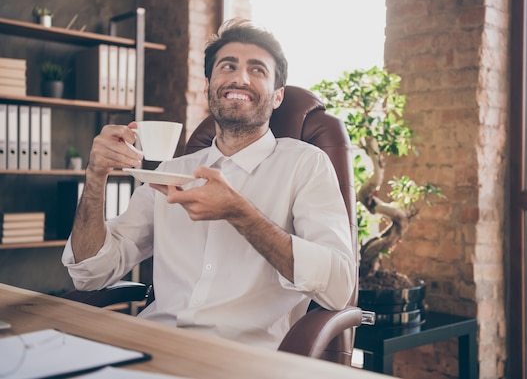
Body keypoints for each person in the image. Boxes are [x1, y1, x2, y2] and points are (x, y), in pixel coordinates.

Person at [62, 19, 356, 349]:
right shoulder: (171, 172)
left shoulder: (306, 163)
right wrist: (95, 176)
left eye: (257, 70)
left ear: (277, 96)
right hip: (151, 347)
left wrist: (240, 213)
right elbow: (90, 274)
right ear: (208, 87)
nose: (240, 78)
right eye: (228, 66)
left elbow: (339, 286)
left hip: (244, 361)